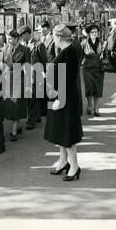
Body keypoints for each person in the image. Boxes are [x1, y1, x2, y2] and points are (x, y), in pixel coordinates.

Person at [44, 24, 83, 182]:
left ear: (59, 37)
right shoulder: (67, 51)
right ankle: (63, 162)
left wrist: (60, 99)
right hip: (61, 96)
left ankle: (74, 167)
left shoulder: (69, 53)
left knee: (67, 134)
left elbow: (66, 80)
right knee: (61, 131)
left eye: (54, 36)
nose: (53, 39)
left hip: (65, 98)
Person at [1, 29, 30, 141]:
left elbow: (28, 65)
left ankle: (14, 132)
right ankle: (17, 126)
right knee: (10, 105)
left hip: (19, 80)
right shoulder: (5, 49)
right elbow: (3, 65)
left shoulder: (25, 50)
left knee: (17, 104)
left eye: (10, 39)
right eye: (7, 38)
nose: (8, 41)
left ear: (17, 38)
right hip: (8, 80)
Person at [18, 25, 47, 131]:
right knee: (32, 98)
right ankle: (37, 117)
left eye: (22, 35)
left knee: (32, 98)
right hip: (26, 74)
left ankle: (31, 121)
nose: (21, 37)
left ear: (27, 34)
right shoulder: (22, 45)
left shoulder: (39, 44)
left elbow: (44, 61)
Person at [81, 24, 106, 116]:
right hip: (87, 67)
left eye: (96, 32)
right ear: (88, 33)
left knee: (97, 88)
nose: (95, 33)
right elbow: (80, 56)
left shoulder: (101, 42)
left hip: (98, 68)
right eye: (92, 32)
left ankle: (96, 107)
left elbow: (105, 56)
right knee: (89, 87)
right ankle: (89, 104)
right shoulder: (84, 43)